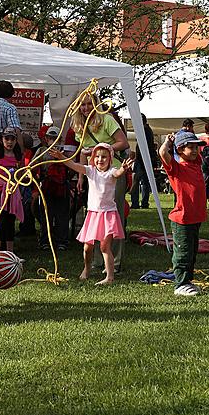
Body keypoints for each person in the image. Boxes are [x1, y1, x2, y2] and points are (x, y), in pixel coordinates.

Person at [51, 143, 132, 285]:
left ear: (110, 159)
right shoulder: (90, 171)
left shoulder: (111, 172)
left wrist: (123, 170)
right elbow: (73, 165)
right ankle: (87, 269)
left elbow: (118, 174)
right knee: (87, 247)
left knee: (104, 247)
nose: (100, 160)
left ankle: (110, 277)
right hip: (93, 214)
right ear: (93, 158)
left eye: (104, 157)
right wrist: (61, 157)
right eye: (97, 157)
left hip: (108, 215)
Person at [71, 91, 130, 274]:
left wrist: (102, 149)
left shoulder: (107, 120)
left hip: (113, 171)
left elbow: (124, 142)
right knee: (95, 215)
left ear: (96, 104)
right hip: (94, 174)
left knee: (114, 216)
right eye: (83, 105)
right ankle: (99, 261)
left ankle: (115, 262)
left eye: (89, 104)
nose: (86, 108)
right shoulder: (79, 125)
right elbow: (82, 151)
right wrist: (81, 178)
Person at [158, 131, 207, 296]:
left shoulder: (196, 164)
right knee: (183, 252)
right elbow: (163, 153)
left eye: (196, 147)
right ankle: (180, 283)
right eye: (190, 147)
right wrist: (168, 142)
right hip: (182, 219)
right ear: (179, 150)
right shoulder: (176, 169)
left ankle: (188, 281)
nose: (194, 151)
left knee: (192, 252)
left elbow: (200, 152)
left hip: (194, 218)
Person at [34, 126, 72, 252]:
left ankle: (62, 241)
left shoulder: (65, 152)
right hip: (46, 187)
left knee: (62, 215)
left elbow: (72, 168)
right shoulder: (41, 151)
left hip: (62, 187)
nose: (52, 140)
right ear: (46, 138)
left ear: (60, 139)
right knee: (46, 215)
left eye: (55, 138)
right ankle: (45, 241)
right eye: (50, 137)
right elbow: (31, 166)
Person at [0, 127, 24, 252]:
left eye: (12, 139)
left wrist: (15, 186)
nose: (9, 142)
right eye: (6, 138)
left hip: (12, 192)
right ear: (1, 140)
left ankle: (10, 253)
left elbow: (20, 174)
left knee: (10, 220)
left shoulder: (18, 157)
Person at [130, 113, 157, 209]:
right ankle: (144, 203)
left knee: (137, 181)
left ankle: (136, 203)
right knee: (144, 182)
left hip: (142, 160)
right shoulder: (148, 130)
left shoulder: (144, 130)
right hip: (145, 159)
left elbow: (142, 147)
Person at [0, 80, 23, 151]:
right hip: (3, 152)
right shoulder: (10, 108)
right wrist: (21, 151)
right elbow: (15, 130)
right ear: (10, 94)